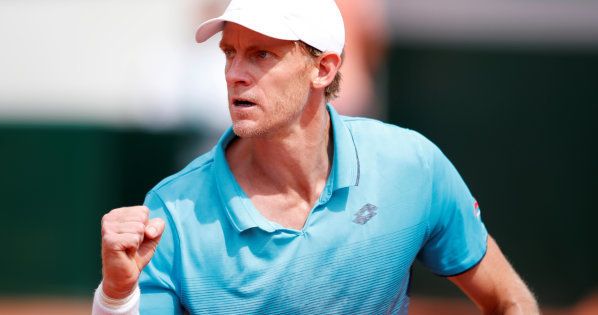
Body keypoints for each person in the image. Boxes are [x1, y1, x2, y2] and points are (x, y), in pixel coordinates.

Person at [92, 0, 539, 314]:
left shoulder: (413, 167)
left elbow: (508, 300)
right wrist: (116, 293)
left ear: (323, 69)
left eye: (261, 54)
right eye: (229, 54)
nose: (234, 75)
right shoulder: (170, 212)